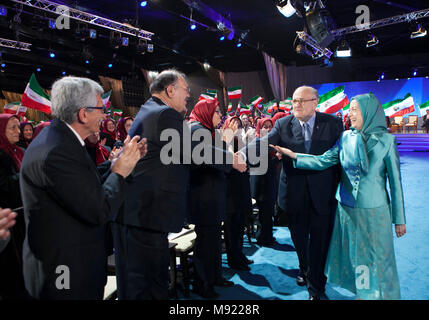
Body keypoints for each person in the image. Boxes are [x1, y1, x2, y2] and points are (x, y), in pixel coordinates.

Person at [20, 76, 146, 300]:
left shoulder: (62, 141)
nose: (104, 115)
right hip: (64, 271)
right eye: (100, 108)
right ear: (83, 113)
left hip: (74, 261)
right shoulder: (57, 150)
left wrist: (119, 164)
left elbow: (85, 186)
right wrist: (120, 172)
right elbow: (98, 209)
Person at [272, 93, 406, 300]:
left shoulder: (387, 141)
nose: (350, 114)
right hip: (347, 211)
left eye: (355, 109)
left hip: (375, 213)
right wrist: (294, 155)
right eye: (350, 109)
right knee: (357, 258)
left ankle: (383, 294)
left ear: (369, 112)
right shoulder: (345, 138)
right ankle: (363, 293)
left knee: (379, 258)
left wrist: (399, 219)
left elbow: (396, 185)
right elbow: (322, 160)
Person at [245, 86, 343, 300]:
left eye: (301, 101)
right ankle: (305, 269)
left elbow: (341, 160)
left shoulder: (333, 124)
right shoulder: (282, 124)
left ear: (315, 102)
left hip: (323, 196)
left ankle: (316, 287)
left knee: (320, 242)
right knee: (299, 240)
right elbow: (264, 142)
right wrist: (242, 155)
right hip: (294, 195)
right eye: (294, 101)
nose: (295, 105)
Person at [111, 69, 192, 300]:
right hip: (145, 215)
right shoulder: (165, 114)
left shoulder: (151, 110)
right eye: (186, 90)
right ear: (170, 90)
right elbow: (193, 153)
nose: (188, 95)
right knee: (147, 285)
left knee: (144, 282)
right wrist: (231, 159)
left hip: (140, 214)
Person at [188, 100, 246, 299]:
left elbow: (215, 152)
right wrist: (232, 161)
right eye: (217, 111)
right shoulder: (195, 128)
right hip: (202, 197)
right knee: (205, 243)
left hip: (211, 195)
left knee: (213, 241)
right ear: (205, 112)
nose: (221, 116)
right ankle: (202, 284)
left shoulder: (205, 129)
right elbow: (206, 156)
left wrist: (226, 139)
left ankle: (214, 277)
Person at [0, 114, 27, 299]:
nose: (18, 131)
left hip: (24, 216)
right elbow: (4, 185)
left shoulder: (19, 151)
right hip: (8, 222)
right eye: (12, 127)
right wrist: (28, 175)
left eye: (18, 127)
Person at [222, 116, 253, 271]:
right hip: (229, 190)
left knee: (240, 224)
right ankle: (233, 258)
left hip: (241, 186)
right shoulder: (223, 140)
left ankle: (239, 254)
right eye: (233, 123)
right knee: (231, 227)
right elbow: (226, 160)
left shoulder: (240, 141)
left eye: (238, 124)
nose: (236, 126)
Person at [250, 118, 280, 246]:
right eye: (265, 126)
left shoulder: (269, 143)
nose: (268, 129)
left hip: (269, 182)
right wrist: (276, 158)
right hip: (261, 183)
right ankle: (263, 237)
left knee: (268, 212)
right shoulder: (257, 142)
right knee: (264, 212)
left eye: (270, 126)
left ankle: (267, 236)